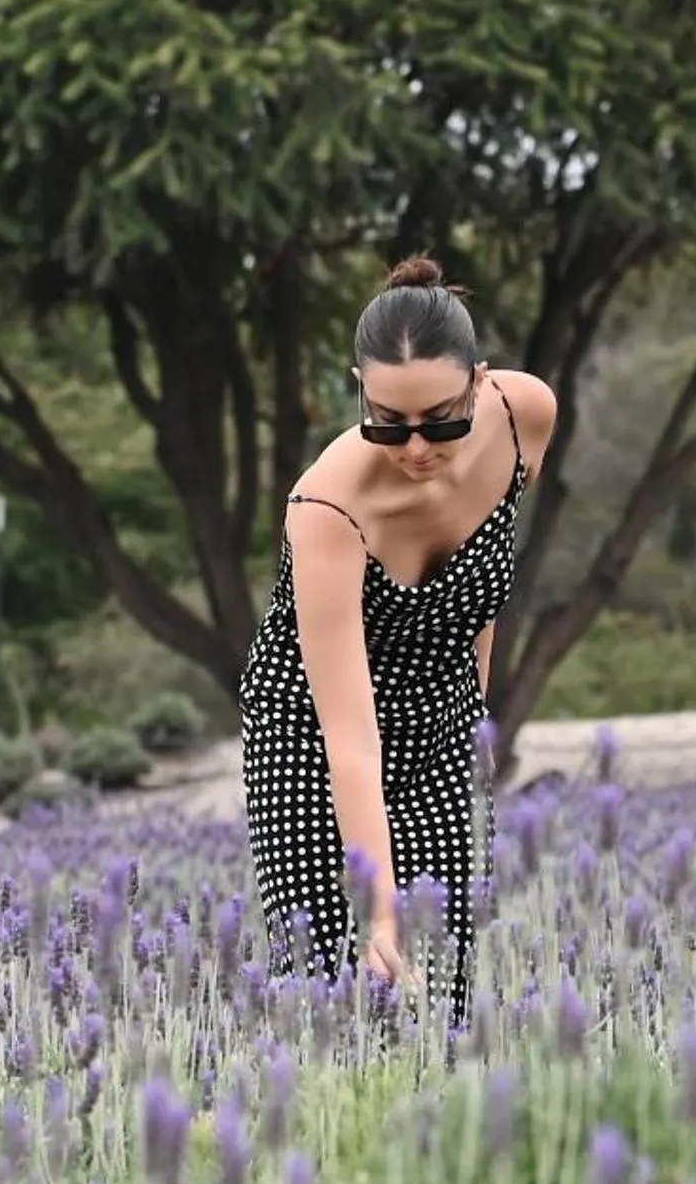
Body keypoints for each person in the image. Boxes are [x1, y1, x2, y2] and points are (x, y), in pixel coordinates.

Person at [237, 253, 558, 1026]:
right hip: (312, 741)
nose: (416, 447)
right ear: (359, 390)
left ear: (480, 382)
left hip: (439, 728)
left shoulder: (525, 415)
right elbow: (351, 742)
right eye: (388, 422)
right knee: (331, 991)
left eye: (442, 419)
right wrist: (379, 911)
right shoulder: (328, 508)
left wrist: (473, 724)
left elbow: (479, 597)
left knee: (442, 985)